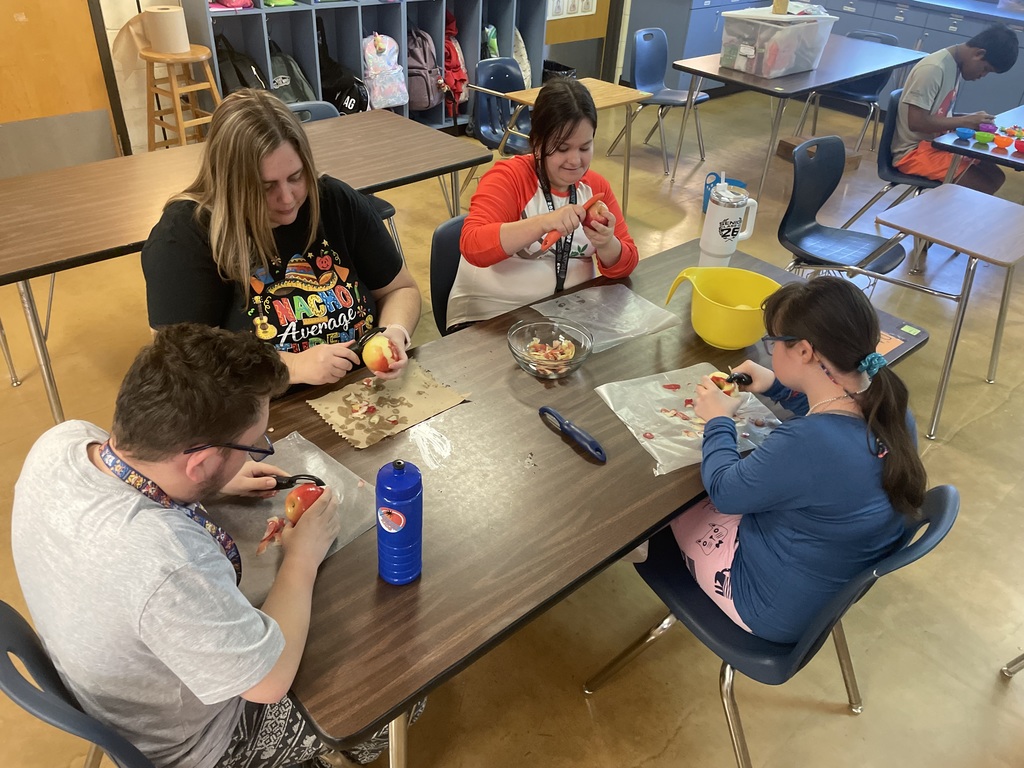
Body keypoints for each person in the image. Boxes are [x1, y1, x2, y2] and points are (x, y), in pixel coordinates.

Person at [11, 324, 420, 768]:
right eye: (252, 446)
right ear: (200, 461)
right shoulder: (167, 563)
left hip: (110, 686)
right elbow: (268, 683)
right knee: (400, 676)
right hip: (195, 744)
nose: (257, 453)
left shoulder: (61, 441)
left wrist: (213, 482)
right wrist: (301, 558)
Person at [669, 277, 927, 644]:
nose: (769, 351)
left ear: (804, 351)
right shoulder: (889, 402)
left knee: (663, 511)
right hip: (824, 586)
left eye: (772, 342)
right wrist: (776, 385)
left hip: (767, 606)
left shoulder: (807, 444)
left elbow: (725, 491)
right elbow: (832, 415)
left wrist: (719, 420)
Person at [141, 89, 421, 386]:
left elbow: (400, 289)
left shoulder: (333, 202)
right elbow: (179, 364)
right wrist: (290, 366)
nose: (287, 199)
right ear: (230, 185)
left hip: (360, 391)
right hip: (259, 411)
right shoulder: (186, 234)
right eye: (264, 187)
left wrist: (395, 332)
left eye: (296, 177)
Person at [448, 77, 639, 330]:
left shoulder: (596, 188)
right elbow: (473, 245)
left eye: (585, 147)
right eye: (561, 148)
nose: (575, 160)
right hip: (491, 317)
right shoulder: (509, 178)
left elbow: (624, 268)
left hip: (565, 317)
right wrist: (543, 223)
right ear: (537, 144)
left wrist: (607, 243)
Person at [892, 23, 1018, 194]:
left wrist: (971, 119)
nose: (982, 76)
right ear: (979, 54)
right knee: (983, 185)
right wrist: (966, 121)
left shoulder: (955, 65)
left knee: (995, 176)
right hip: (913, 153)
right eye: (985, 69)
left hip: (937, 145)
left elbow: (939, 114)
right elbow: (916, 122)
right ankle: (934, 218)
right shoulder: (934, 69)